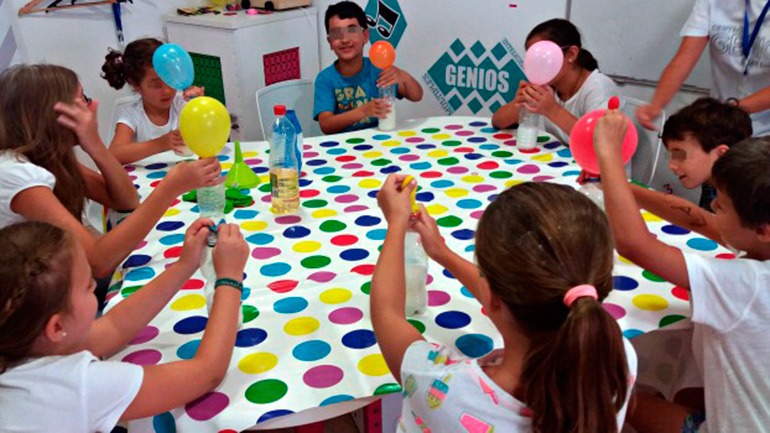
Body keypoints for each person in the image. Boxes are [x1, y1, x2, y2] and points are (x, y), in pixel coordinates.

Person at [371, 176, 637, 432]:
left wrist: (396, 223)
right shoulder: (616, 356)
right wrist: (441, 252)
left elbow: (387, 312)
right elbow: (531, 292)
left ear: (493, 296)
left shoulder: (439, 387)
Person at [594, 108, 770, 432]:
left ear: (762, 230)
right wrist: (621, 187)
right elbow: (698, 219)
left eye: (722, 205)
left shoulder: (749, 285)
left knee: (604, 389)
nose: (712, 207)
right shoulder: (760, 242)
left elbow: (634, 244)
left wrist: (609, 157)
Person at [0, 220, 249, 432]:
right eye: (88, 286)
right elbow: (206, 373)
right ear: (56, 328)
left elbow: (113, 327)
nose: (94, 288)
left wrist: (186, 264)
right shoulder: (74, 386)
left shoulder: (23, 343)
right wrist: (230, 278)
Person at [0, 64, 221, 281]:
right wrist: (171, 187)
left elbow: (126, 200)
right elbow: (100, 262)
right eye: (83, 100)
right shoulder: (16, 174)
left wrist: (94, 144)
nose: (91, 106)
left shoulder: (50, 158)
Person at [637, 0, 770, 135]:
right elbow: (684, 59)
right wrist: (655, 106)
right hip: (723, 121)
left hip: (760, 124)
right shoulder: (711, 2)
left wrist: (725, 112)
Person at [630, 98, 752, 243]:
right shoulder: (713, 184)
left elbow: (701, 221)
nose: (671, 165)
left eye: (680, 155)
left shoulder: (747, 195)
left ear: (721, 154)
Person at [492, 18, 618, 144]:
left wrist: (552, 110)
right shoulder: (548, 86)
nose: (537, 66)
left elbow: (600, 143)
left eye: (543, 57)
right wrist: (519, 102)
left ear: (572, 54)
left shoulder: (598, 86)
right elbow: (497, 121)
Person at [313, 1, 423, 135]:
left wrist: (402, 76)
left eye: (352, 31)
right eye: (336, 33)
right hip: (343, 145)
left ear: (365, 36)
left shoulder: (379, 69)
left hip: (379, 139)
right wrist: (363, 111)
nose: (345, 40)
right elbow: (326, 124)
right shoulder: (325, 79)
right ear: (330, 42)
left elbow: (416, 96)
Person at [102, 38, 205, 164]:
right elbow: (114, 155)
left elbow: (207, 136)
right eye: (156, 85)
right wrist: (160, 144)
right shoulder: (132, 114)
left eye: (170, 79)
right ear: (136, 85)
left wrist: (200, 106)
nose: (167, 91)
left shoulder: (182, 103)